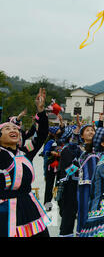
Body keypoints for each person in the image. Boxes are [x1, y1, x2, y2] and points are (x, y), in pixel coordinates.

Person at [0, 88, 51, 237]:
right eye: (7, 128)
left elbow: (41, 135)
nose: (13, 129)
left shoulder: (25, 151)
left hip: (28, 207)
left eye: (15, 128)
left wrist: (41, 111)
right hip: (4, 209)